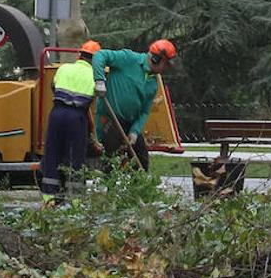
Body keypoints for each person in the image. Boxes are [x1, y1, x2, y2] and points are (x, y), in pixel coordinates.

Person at [92, 39, 177, 171]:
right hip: (109, 119)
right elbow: (99, 55)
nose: (166, 69)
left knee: (141, 160)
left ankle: (137, 190)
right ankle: (108, 188)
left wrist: (135, 132)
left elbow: (144, 112)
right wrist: (99, 80)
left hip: (129, 123)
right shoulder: (128, 59)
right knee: (110, 160)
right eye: (165, 65)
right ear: (155, 59)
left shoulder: (153, 83)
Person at [39, 40, 100, 203]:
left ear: (79, 55)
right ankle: (74, 203)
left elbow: (54, 86)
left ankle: (49, 199)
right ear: (95, 60)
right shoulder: (95, 75)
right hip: (77, 117)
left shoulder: (64, 68)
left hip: (57, 114)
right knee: (75, 158)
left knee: (52, 155)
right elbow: (94, 101)